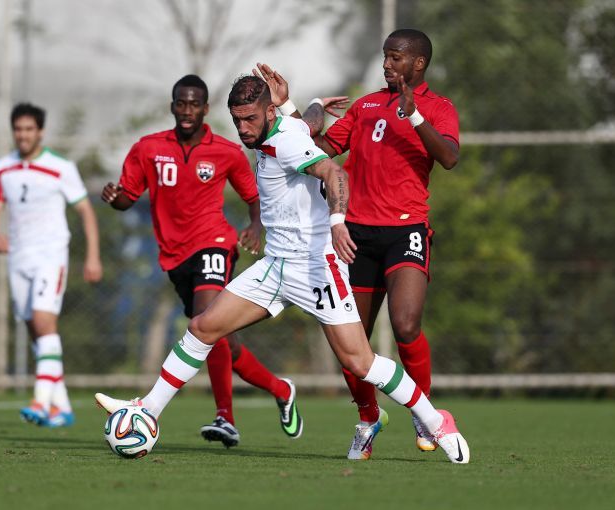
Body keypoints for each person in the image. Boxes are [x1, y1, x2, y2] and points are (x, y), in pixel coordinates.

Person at [95, 75, 470, 464]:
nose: (243, 129)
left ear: (269, 112)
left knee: (360, 362)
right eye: (237, 120)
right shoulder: (283, 128)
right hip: (276, 266)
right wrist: (314, 102)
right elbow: (309, 123)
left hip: (315, 268)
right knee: (203, 327)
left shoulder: (286, 142)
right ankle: (148, 409)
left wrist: (337, 221)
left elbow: (336, 173)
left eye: (250, 119)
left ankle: (436, 420)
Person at [257, 28, 460, 460]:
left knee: (406, 326)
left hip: (405, 230)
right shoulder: (366, 105)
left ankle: (424, 413)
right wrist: (288, 107)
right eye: (385, 56)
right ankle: (368, 418)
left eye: (395, 57)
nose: (386, 64)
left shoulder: (438, 107)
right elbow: (318, 147)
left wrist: (414, 117)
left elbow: (449, 158)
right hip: (354, 234)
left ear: (418, 63)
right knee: (352, 344)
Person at [101, 75, 302, 447]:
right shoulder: (148, 148)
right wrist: (116, 198)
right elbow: (127, 196)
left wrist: (255, 225)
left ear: (206, 108)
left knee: (205, 320)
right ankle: (280, 389)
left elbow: (254, 196)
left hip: (214, 244)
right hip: (174, 256)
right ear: (173, 106)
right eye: (181, 103)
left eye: (194, 104)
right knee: (221, 339)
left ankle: (225, 417)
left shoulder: (226, 151)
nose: (187, 110)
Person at [0, 102, 103, 427]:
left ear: (40, 132)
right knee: (34, 329)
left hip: (50, 254)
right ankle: (61, 407)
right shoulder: (3, 167)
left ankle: (39, 402)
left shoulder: (60, 167)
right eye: (18, 129)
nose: (23, 135)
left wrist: (93, 255)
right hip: (18, 257)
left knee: (43, 321)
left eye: (29, 129)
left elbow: (85, 211)